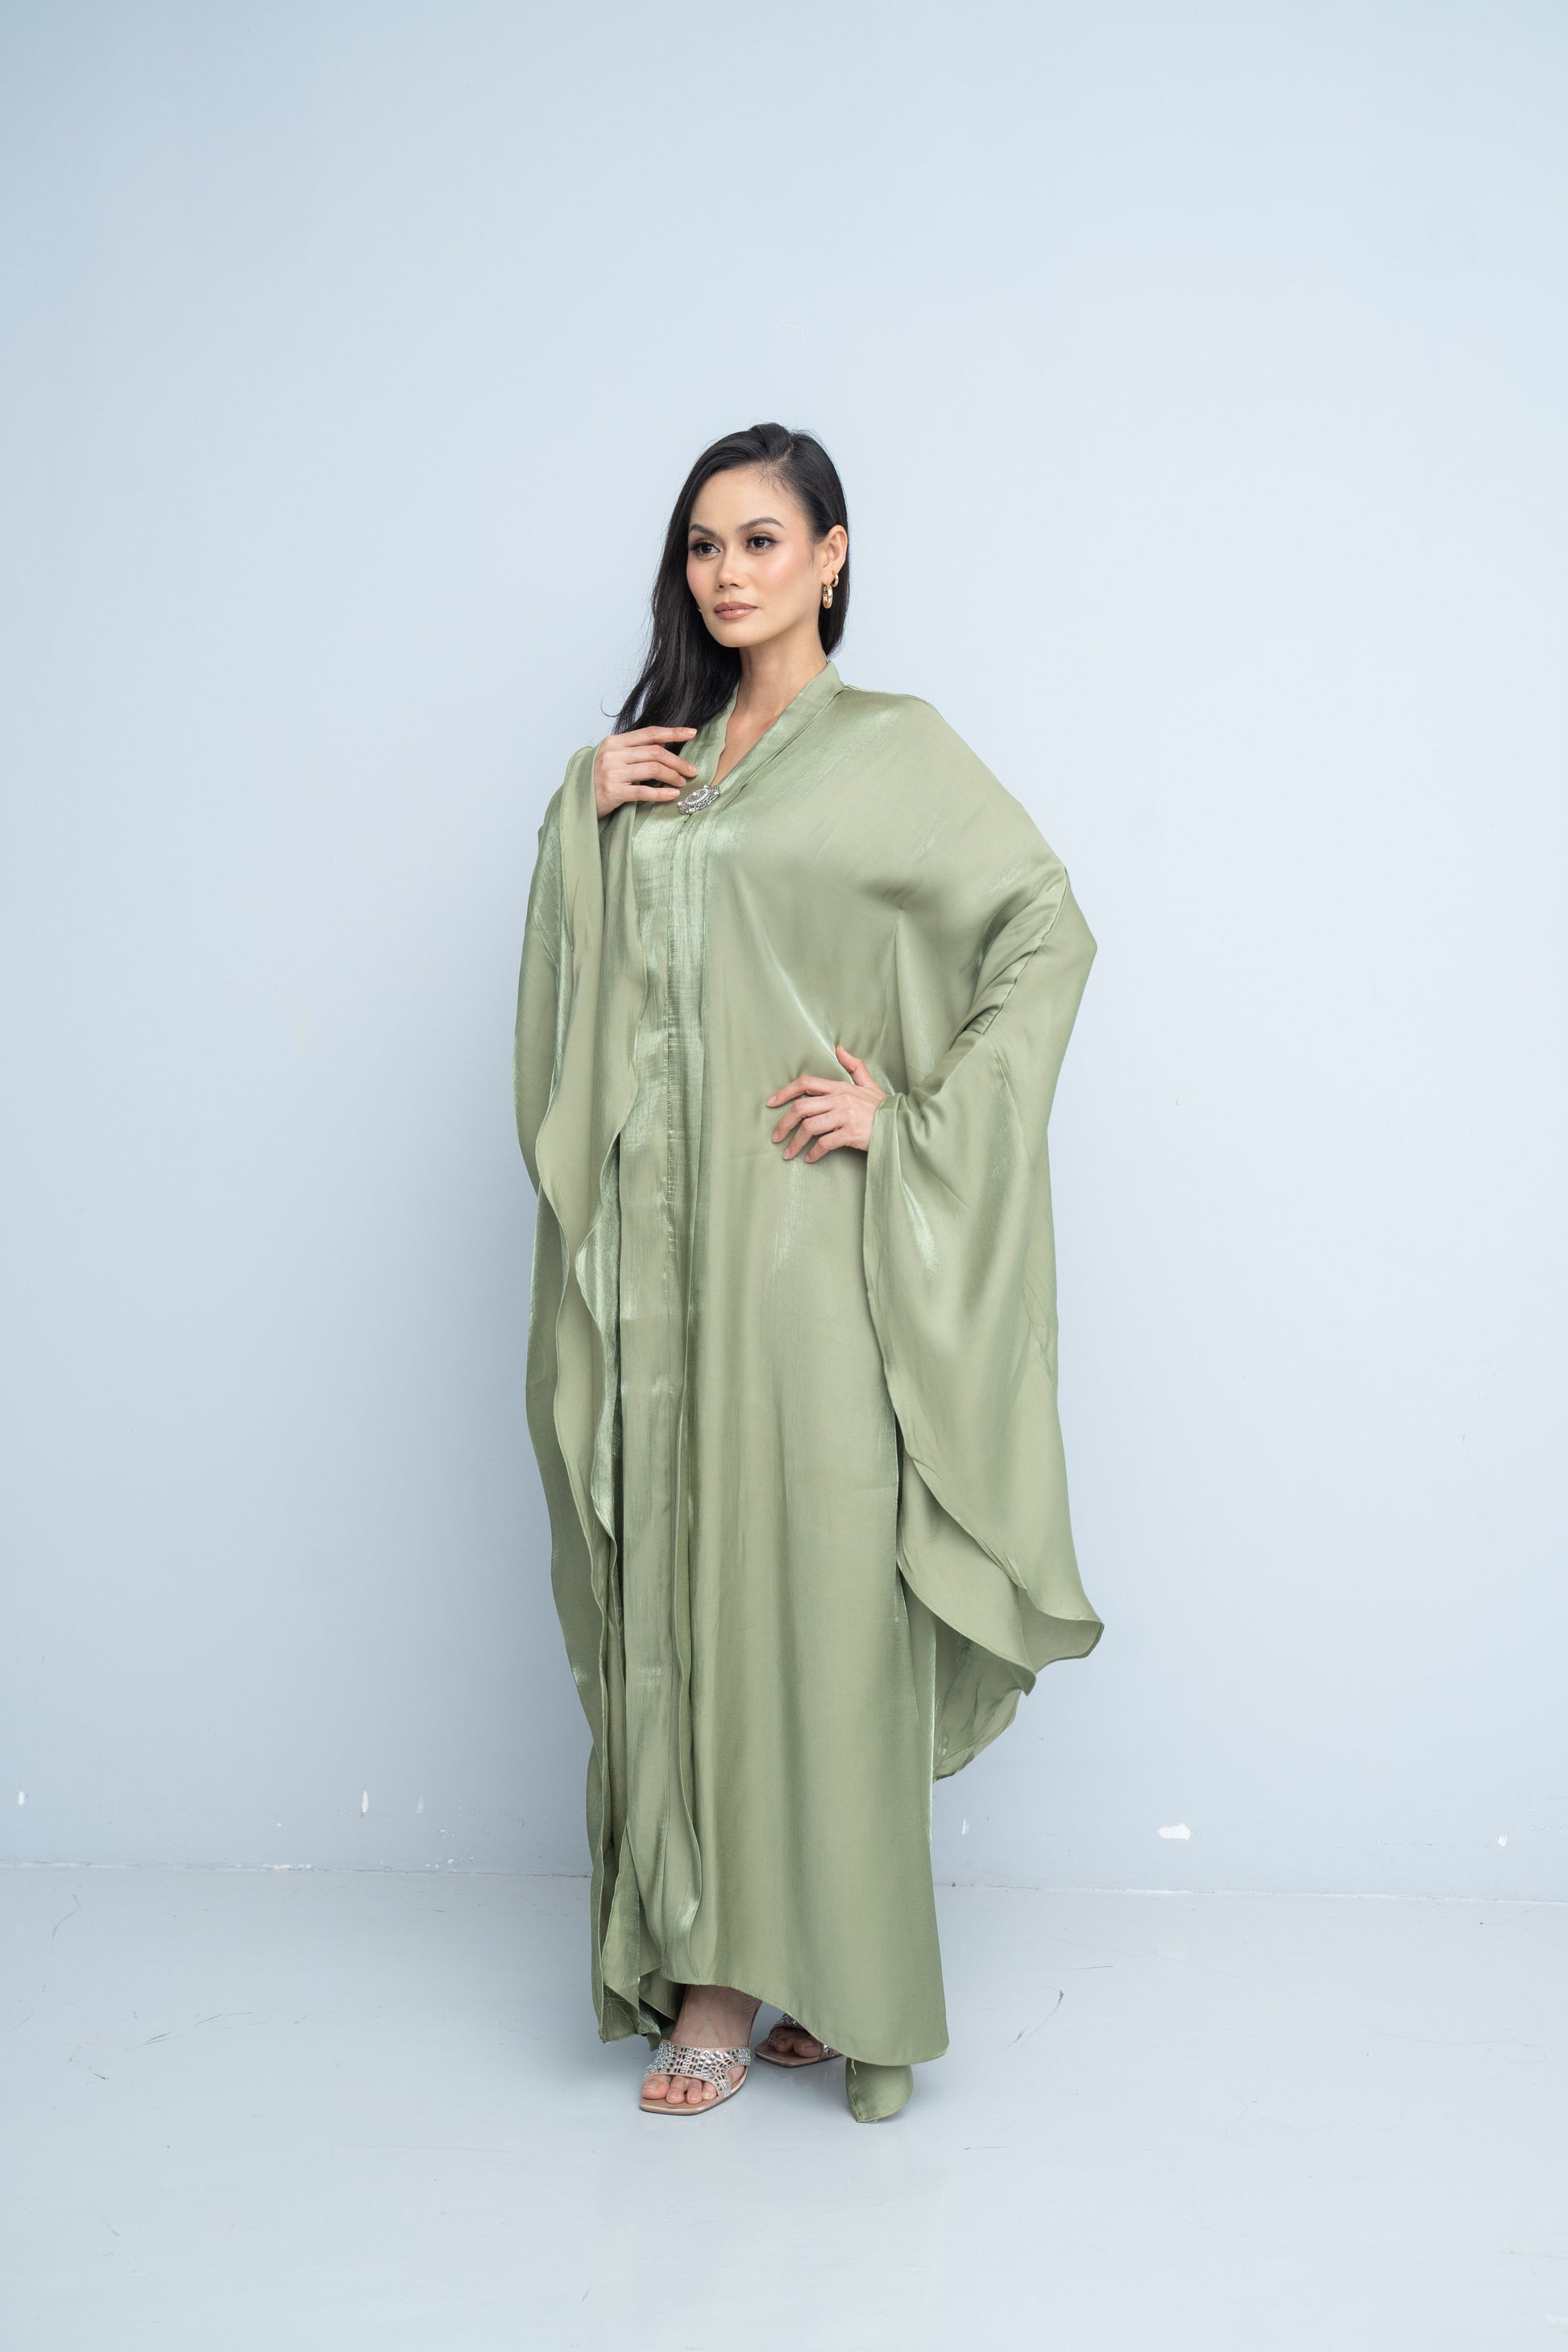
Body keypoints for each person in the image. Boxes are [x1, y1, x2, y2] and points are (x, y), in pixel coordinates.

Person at [512, 421, 1101, 2125]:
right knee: (684, 1582)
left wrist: (906, 1116)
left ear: (831, 556)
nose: (728, 571)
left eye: (761, 538)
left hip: (813, 1257)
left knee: (820, 1597)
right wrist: (580, 818)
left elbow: (1045, 928)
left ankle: (830, 1960)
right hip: (665, 1267)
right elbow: (605, 1009)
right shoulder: (659, 763)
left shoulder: (892, 750)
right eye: (703, 544)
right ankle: (715, 1963)